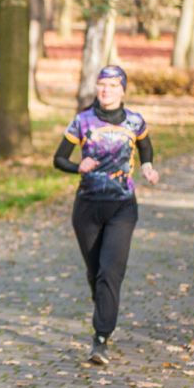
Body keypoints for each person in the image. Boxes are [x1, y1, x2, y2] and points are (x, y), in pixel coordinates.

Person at [53, 65, 159, 365]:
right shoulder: (82, 121)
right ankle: (103, 307)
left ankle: (101, 339)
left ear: (122, 90)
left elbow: (146, 148)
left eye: (113, 85)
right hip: (87, 208)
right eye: (102, 84)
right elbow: (58, 158)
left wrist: (148, 167)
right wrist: (78, 166)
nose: (106, 90)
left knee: (110, 272)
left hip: (122, 207)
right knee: (95, 273)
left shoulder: (135, 121)